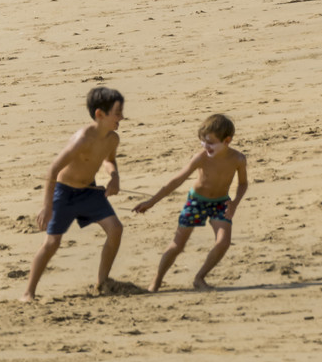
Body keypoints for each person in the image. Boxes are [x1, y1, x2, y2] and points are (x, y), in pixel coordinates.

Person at [25, 85, 125, 299]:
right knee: (52, 243)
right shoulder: (83, 139)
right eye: (117, 113)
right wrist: (47, 206)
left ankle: (102, 282)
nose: (122, 117)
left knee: (115, 229)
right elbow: (53, 168)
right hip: (64, 194)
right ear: (100, 114)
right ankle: (28, 292)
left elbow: (109, 160)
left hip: (89, 191)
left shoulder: (112, 139)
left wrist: (114, 176)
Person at [135, 112, 249, 291]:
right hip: (197, 201)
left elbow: (243, 183)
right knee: (177, 245)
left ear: (227, 141)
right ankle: (157, 279)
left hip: (221, 203)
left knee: (223, 242)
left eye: (210, 142)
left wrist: (234, 203)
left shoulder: (238, 159)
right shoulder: (201, 157)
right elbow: (176, 180)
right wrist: (151, 202)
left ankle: (199, 278)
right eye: (202, 141)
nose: (205, 146)